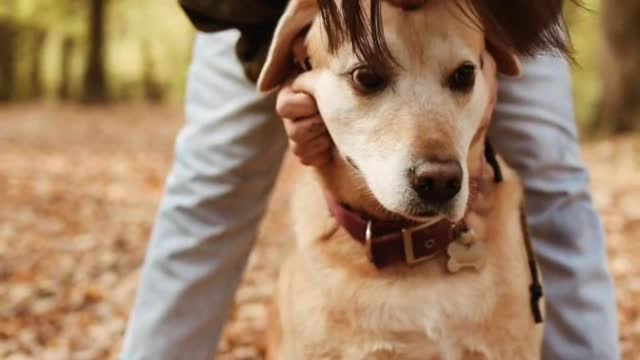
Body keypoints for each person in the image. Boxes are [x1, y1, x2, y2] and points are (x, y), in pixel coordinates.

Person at [120, 1, 620, 359]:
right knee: (212, 182)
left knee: (553, 175)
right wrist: (301, 63)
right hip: (264, 10)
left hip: (491, 9)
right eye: (369, 79)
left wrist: (480, 56)